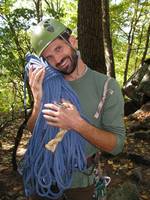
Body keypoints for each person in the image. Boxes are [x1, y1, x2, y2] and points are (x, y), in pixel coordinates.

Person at [26, 18, 126, 200]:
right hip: (43, 177)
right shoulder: (48, 83)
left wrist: (77, 124)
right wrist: (38, 102)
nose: (57, 60)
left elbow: (117, 145)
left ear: (72, 42)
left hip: (81, 183)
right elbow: (33, 130)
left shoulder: (105, 86)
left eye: (59, 48)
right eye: (49, 56)